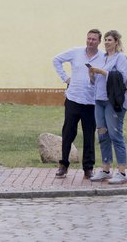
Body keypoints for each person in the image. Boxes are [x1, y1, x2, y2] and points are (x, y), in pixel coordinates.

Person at [52, 28, 102, 179]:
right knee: (68, 132)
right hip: (73, 98)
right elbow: (56, 60)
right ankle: (63, 165)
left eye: (94, 39)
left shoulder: (103, 57)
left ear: (99, 42)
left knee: (89, 135)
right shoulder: (76, 52)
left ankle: (88, 168)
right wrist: (66, 79)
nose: (90, 41)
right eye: (88, 38)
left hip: (91, 102)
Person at [88, 29, 127, 185]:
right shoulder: (102, 58)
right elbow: (95, 82)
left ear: (116, 42)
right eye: (105, 40)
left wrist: (102, 71)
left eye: (109, 40)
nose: (106, 42)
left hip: (113, 103)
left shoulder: (121, 58)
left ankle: (121, 172)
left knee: (115, 135)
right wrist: (92, 74)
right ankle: (105, 169)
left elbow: (121, 78)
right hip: (99, 101)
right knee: (102, 135)